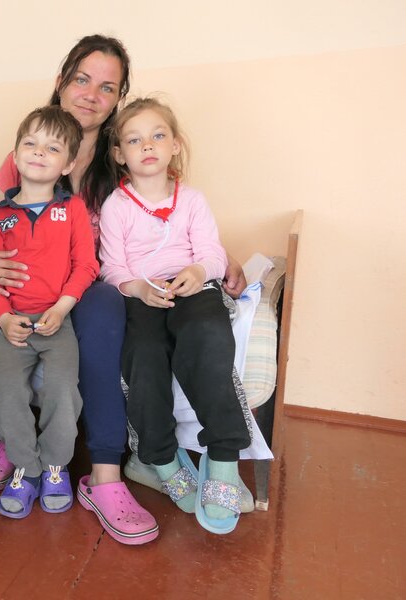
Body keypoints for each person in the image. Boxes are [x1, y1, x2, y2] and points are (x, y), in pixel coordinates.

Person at [0, 34, 245, 545]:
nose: (92, 93)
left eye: (108, 87)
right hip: (32, 285)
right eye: (81, 79)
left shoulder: (120, 165)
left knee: (101, 307)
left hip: (94, 285)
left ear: (118, 101)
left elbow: (173, 223)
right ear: (60, 81)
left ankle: (105, 475)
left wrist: (216, 258)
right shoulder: (26, 153)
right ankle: (16, 440)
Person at [100, 97, 249, 535]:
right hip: (142, 296)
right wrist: (139, 289)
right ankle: (159, 458)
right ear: (119, 154)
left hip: (193, 288)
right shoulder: (116, 206)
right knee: (143, 355)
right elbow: (113, 267)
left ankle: (223, 457)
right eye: (134, 139)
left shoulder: (193, 201)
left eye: (158, 135)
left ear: (176, 145)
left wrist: (198, 271)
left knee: (206, 336)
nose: (147, 145)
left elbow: (211, 252)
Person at [0, 106, 98, 519]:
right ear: (14, 155)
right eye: (29, 143)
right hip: (11, 325)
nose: (38, 152)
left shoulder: (74, 211)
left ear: (67, 163)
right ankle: (25, 470)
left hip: (56, 323)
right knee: (6, 397)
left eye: (52, 147)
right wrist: (2, 318)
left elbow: (86, 265)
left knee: (64, 395)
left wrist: (62, 308)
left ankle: (54, 468)